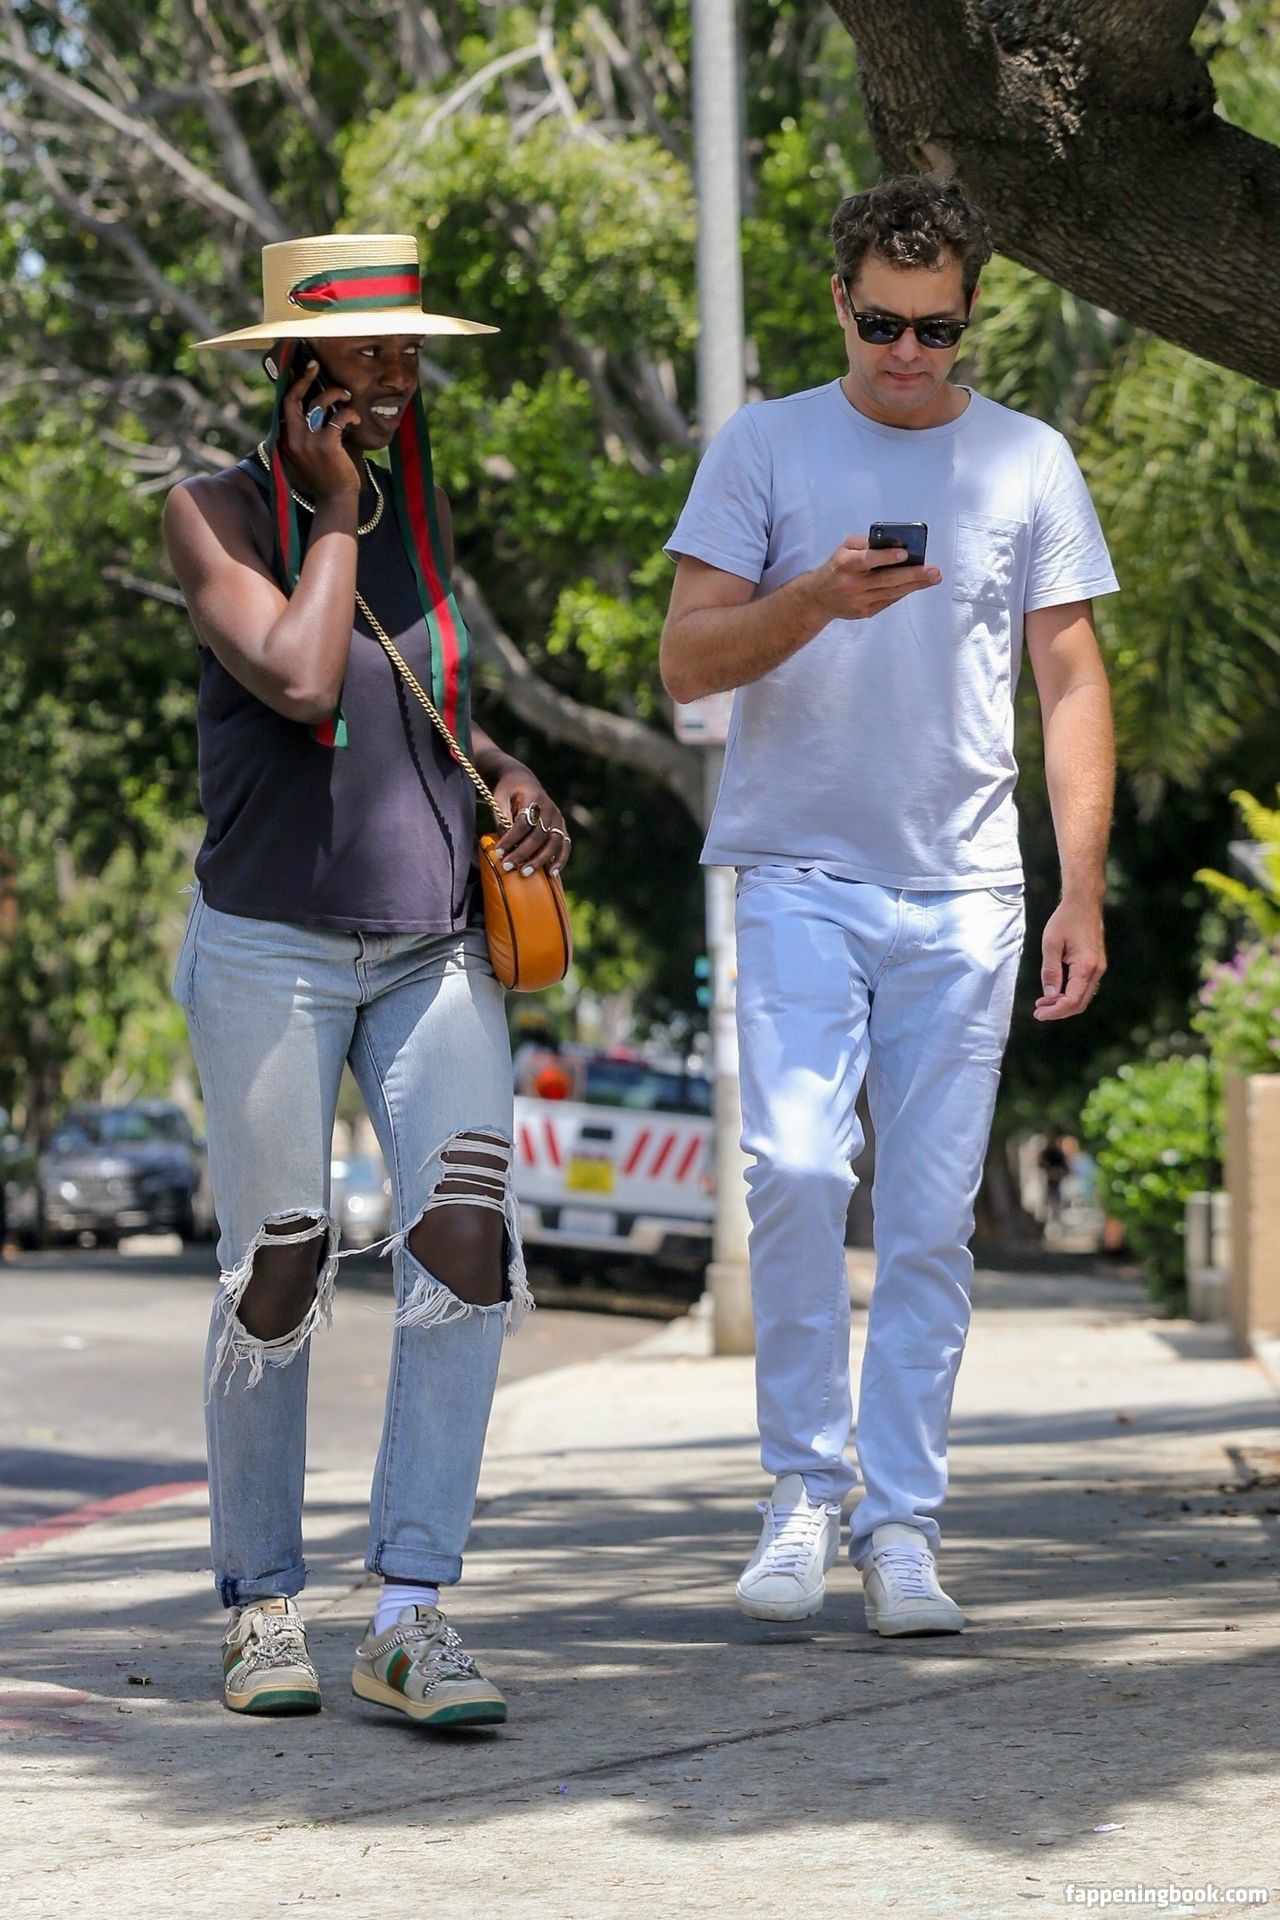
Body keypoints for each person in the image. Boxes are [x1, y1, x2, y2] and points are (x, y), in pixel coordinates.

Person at [660, 177, 1114, 1636]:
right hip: (801, 869)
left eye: (937, 328)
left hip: (970, 886)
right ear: (839, 304)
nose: (908, 354)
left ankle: (901, 1523)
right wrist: (816, 601)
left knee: (926, 1223)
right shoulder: (766, 444)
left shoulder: (1029, 459)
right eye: (881, 324)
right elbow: (686, 660)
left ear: (971, 314)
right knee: (796, 1169)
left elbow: (1071, 680)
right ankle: (803, 1490)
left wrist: (1081, 889)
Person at [164, 232, 572, 1722]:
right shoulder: (211, 514)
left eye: (410, 355)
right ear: (298, 371)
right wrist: (334, 506)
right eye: (369, 356)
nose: (397, 381)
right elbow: (299, 676)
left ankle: (409, 1614)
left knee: (464, 1242)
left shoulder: (425, 512)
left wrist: (508, 772)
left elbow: (420, 702)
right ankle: (263, 1606)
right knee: (279, 1265)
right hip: (269, 946)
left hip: (431, 944)